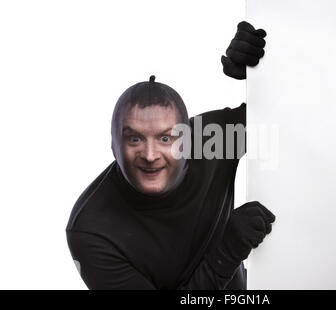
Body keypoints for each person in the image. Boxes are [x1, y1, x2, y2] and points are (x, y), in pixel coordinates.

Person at [66, 21, 275, 290]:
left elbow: (289, 115)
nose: (150, 155)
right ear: (113, 146)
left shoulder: (213, 140)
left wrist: (258, 75)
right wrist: (226, 252)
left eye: (165, 138)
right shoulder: (92, 229)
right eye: (134, 139)